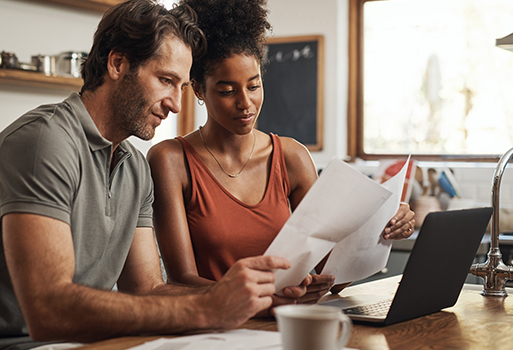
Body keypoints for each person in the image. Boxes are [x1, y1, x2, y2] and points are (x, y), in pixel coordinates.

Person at [0, 1, 295, 349]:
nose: (175, 104)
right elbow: (48, 310)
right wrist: (208, 307)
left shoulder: (134, 167)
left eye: (182, 87)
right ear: (118, 63)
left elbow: (147, 289)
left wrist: (252, 297)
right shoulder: (44, 142)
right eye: (165, 80)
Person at [147, 0, 416, 314]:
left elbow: (332, 274)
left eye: (254, 85)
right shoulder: (170, 160)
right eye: (226, 90)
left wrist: (383, 229)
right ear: (198, 90)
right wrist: (265, 301)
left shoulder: (291, 157)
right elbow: (182, 281)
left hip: (287, 324)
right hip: (216, 329)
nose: (245, 103)